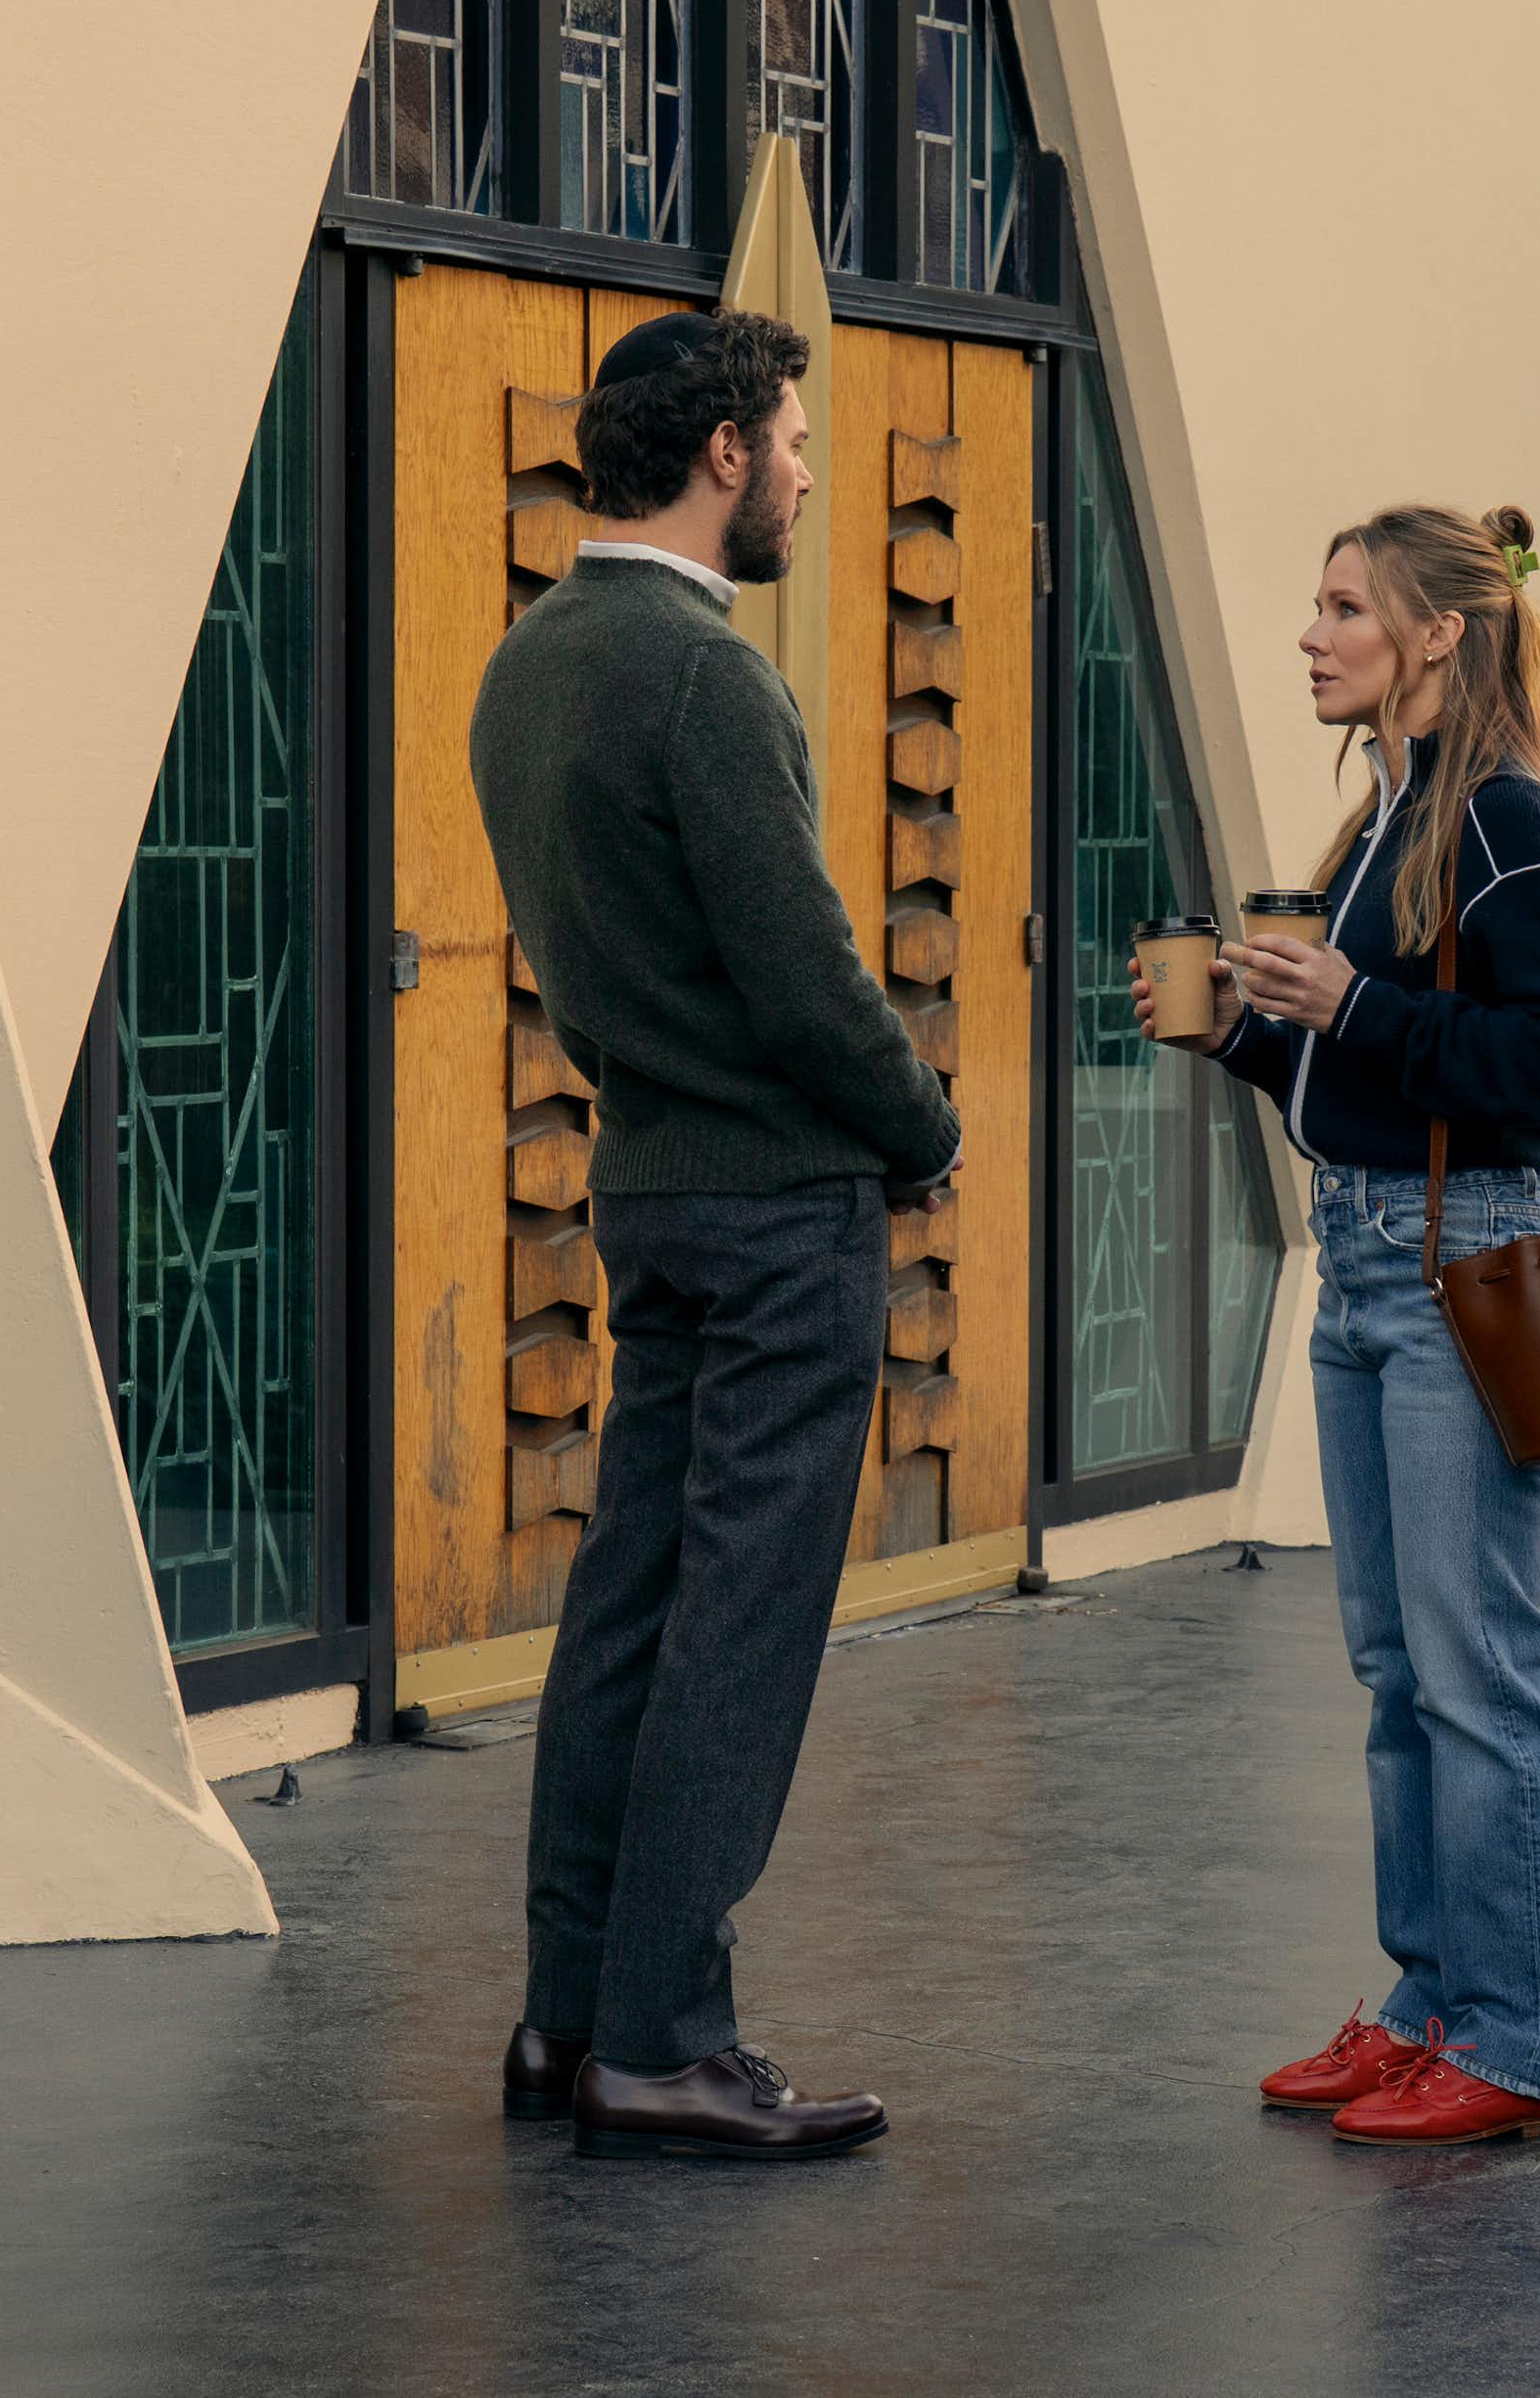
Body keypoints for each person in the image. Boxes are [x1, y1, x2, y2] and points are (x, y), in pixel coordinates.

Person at [468, 309, 961, 2161]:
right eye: (798, 442)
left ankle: (570, 2023)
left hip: (650, 1188)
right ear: (726, 452)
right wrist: (924, 1129)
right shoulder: (702, 675)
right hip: (774, 1207)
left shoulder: (527, 662)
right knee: (740, 1628)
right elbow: (804, 972)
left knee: (629, 1607)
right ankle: (665, 2043)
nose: (813, 477)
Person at [1135, 504, 1540, 2147]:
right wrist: (1244, 1033)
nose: (1312, 633)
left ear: (1435, 634)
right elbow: (1372, 1069)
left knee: (1478, 1667)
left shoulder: (1505, 820)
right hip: (1365, 1262)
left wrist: (1356, 1003)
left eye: (1345, 606)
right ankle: (1429, 2009)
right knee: (1400, 1667)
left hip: (1457, 1263)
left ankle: (1518, 2043)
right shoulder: (1389, 819)